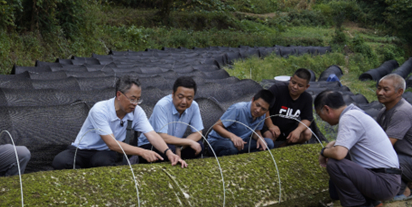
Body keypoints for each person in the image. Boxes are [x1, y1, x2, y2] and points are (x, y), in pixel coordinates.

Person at [52, 75, 187, 169]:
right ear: (119, 95)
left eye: (138, 99)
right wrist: (142, 152)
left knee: (103, 162)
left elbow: (151, 134)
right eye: (132, 99)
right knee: (61, 161)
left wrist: (169, 153)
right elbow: (111, 143)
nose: (135, 103)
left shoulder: (136, 111)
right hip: (82, 149)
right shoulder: (100, 110)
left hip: (104, 152)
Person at [315, 90, 400, 207]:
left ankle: (360, 206)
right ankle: (371, 200)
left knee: (335, 162)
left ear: (327, 109)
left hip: (385, 182)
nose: (323, 120)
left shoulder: (349, 117)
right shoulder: (355, 113)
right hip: (386, 179)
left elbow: (339, 153)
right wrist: (331, 145)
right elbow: (342, 144)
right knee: (343, 156)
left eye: (321, 115)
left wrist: (323, 152)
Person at [137, 76, 204, 162]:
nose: (184, 101)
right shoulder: (162, 106)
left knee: (199, 146)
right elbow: (162, 137)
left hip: (175, 144)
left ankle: (177, 155)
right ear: (173, 94)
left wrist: (181, 146)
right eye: (180, 97)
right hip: (152, 144)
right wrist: (187, 142)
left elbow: (198, 133)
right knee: (171, 149)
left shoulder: (194, 106)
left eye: (189, 98)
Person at [207, 90, 275, 156]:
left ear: (267, 110)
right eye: (257, 105)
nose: (258, 110)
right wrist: (232, 136)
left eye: (263, 109)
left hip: (240, 142)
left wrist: (259, 137)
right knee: (231, 147)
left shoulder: (262, 115)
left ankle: (246, 158)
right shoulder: (238, 109)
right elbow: (216, 126)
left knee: (268, 143)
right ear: (253, 100)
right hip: (218, 142)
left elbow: (256, 130)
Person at [263, 68, 313, 146]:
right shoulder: (277, 89)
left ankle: (284, 145)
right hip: (271, 124)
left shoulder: (307, 98)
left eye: (300, 85)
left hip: (289, 128)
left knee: (307, 133)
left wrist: (298, 130)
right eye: (293, 82)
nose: (295, 87)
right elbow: (264, 105)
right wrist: (271, 125)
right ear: (290, 79)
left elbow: (307, 118)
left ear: (306, 87)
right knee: (269, 136)